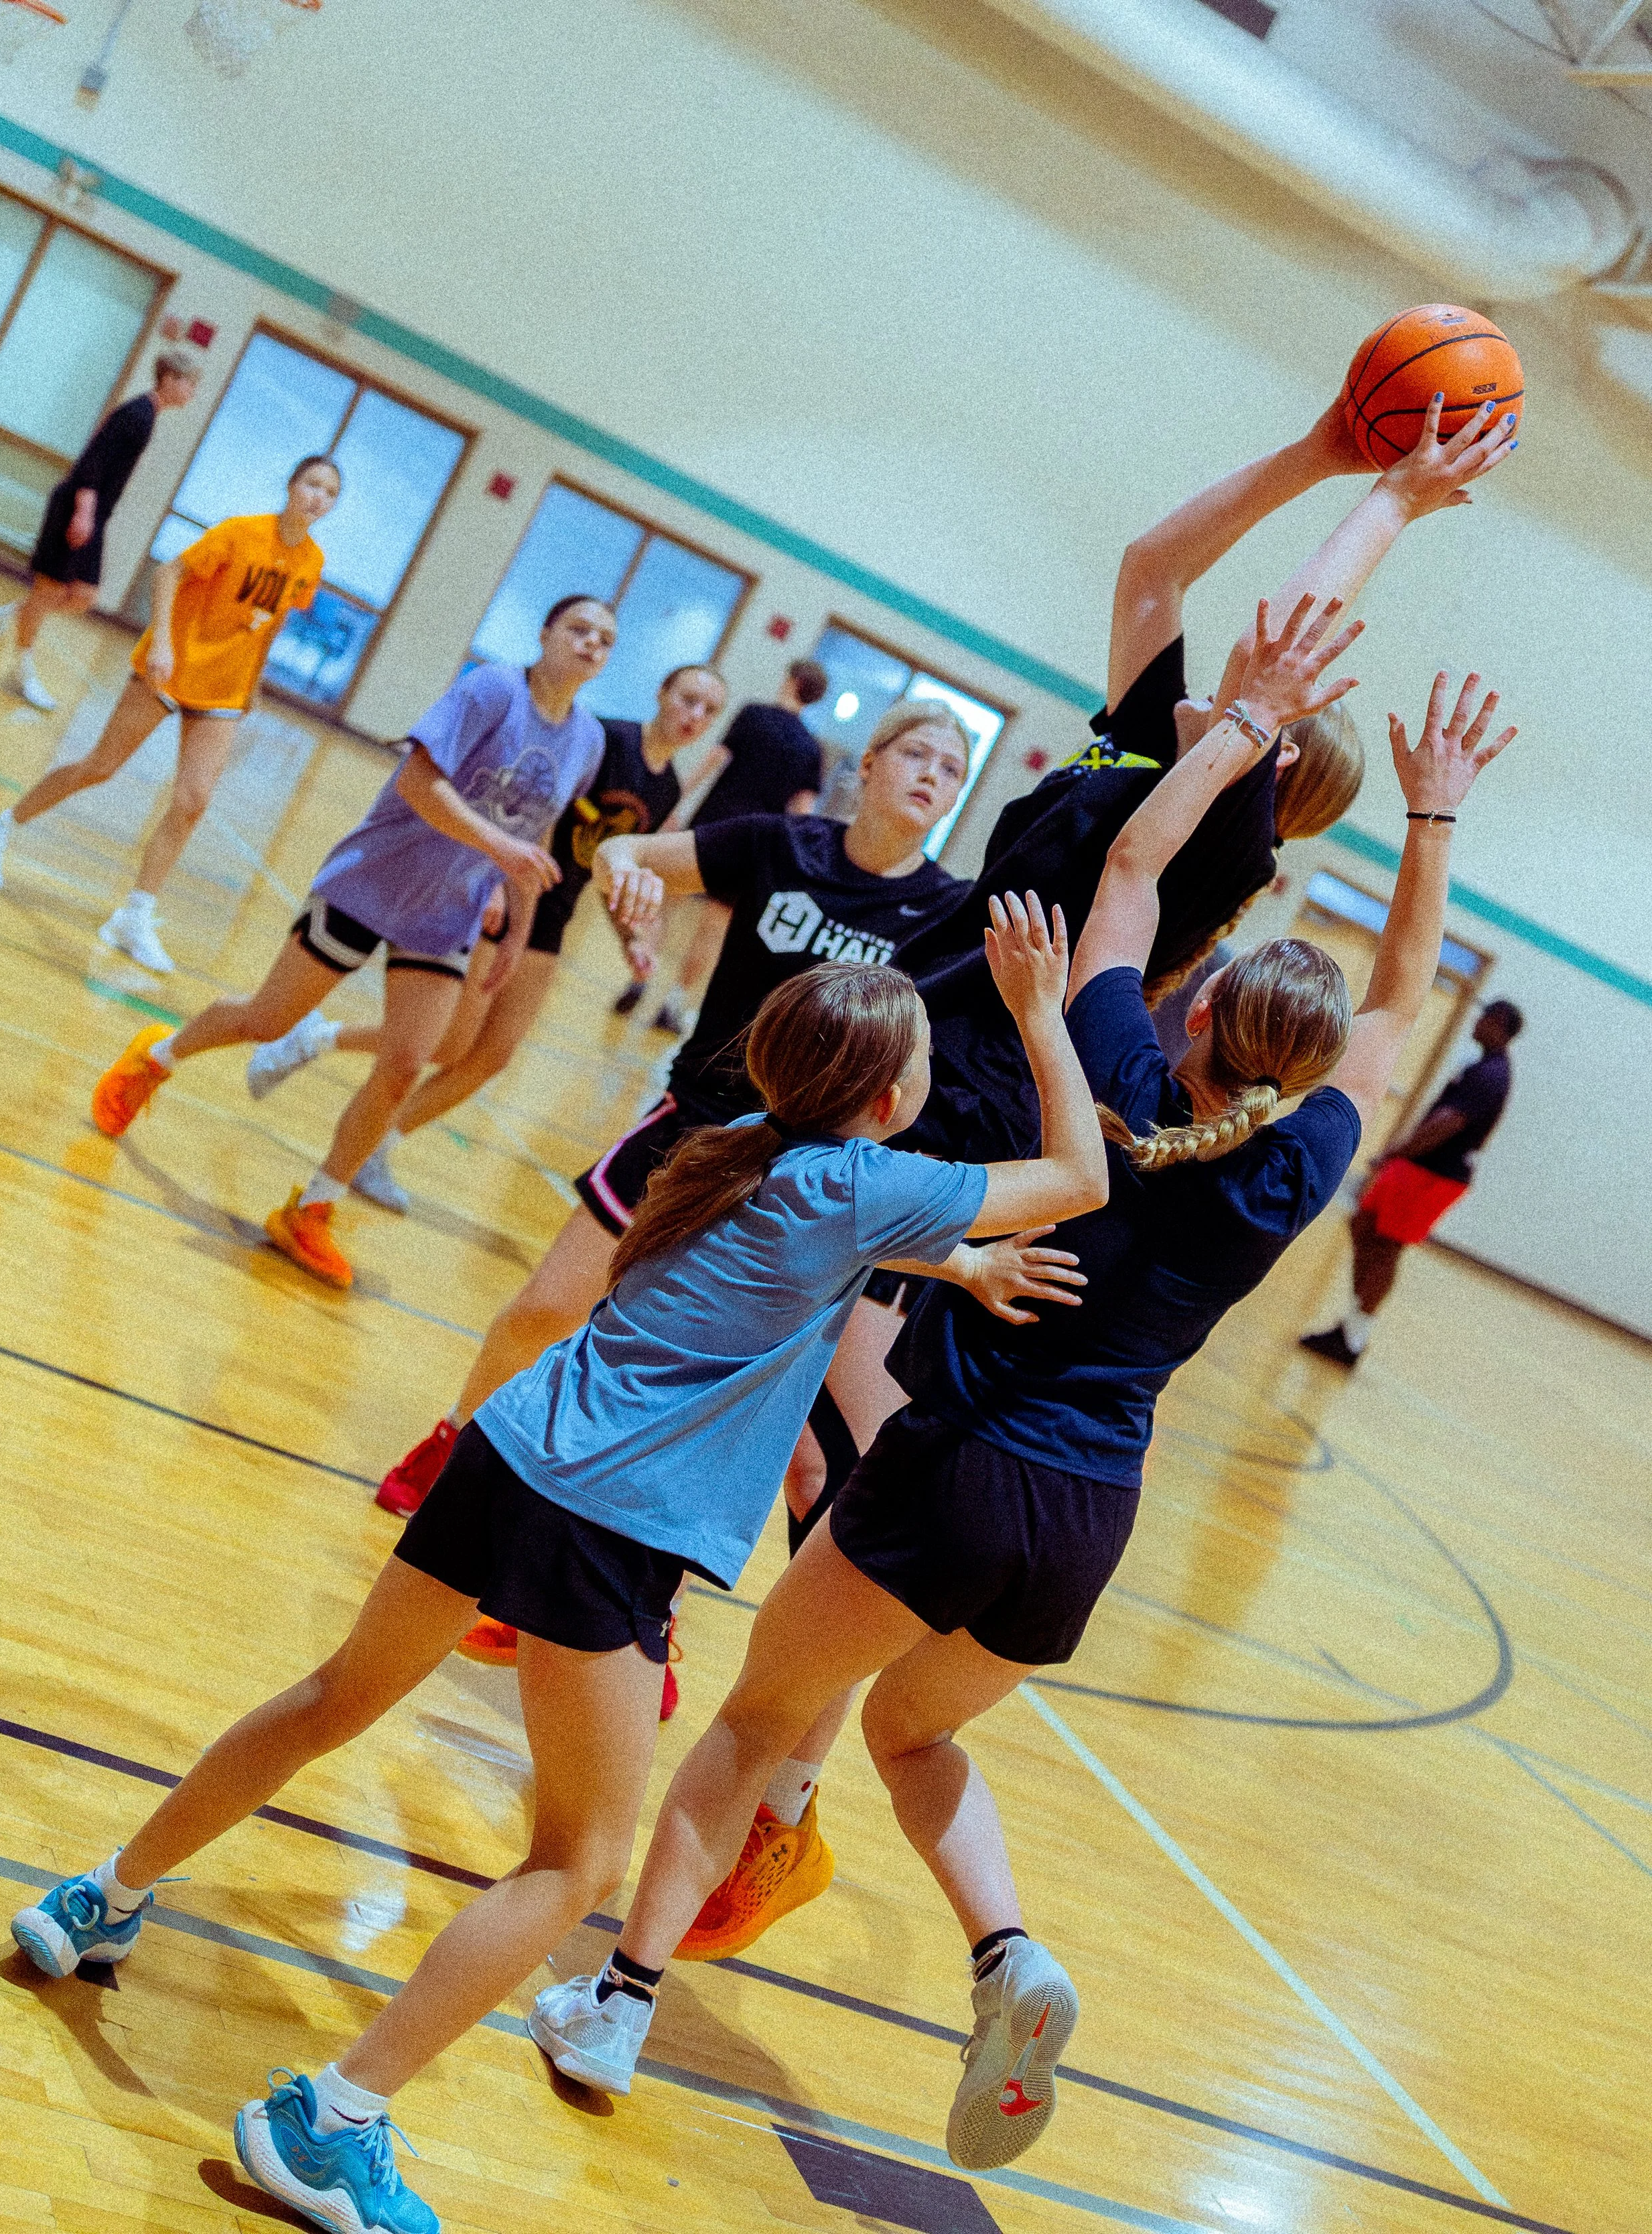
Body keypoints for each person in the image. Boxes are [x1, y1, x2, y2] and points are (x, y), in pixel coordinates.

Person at [532, 606, 1517, 2180]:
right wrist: (1435, 814)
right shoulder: (1309, 1153)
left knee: (758, 1715)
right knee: (914, 1740)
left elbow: (1129, 871)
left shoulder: (1115, 1062)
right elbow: (1401, 992)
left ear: (1202, 1020)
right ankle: (1005, 1953)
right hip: (1086, 1517)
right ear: (1319, 1077)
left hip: (956, 1461)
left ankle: (618, 2001)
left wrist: (1244, 726)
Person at [10, 909, 1110, 2234]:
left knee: (332, 1698)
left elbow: (825, 1232)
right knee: (576, 1861)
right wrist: (1042, 1011)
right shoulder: (865, 1188)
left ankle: (102, 1895)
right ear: (888, 1094)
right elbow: (1077, 1172)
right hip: (607, 1522)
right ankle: (332, 2119)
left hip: (508, 1454)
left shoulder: (726, 1151)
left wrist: (956, 1256)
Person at [690, 390, 1519, 1964]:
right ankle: (742, 1713)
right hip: (887, 1062)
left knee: (847, 1438)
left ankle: (752, 1757)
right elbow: (1155, 570)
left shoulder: (1205, 846)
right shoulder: (1145, 750)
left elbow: (1262, 686)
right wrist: (1324, 458)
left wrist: (1390, 514)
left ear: (1268, 776)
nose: (1231, 689)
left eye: (1256, 715)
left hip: (966, 1110)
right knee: (808, 1425)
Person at [372, 697, 975, 1559]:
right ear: (869, 764)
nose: (931, 776)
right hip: (698, 1126)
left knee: (715, 1406)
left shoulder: (945, 913)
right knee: (547, 1309)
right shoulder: (776, 843)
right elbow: (622, 849)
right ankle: (455, 1441)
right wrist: (629, 877)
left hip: (807, 1180)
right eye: (917, 754)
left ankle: (643, 1592)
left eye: (951, 769)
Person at [83, 595, 614, 1289]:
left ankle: (311, 1207)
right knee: (265, 1019)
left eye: (605, 639)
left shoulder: (588, 740)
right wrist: (498, 846)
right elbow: (420, 783)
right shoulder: (492, 689)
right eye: (579, 628)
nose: (591, 644)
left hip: (445, 914)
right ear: (545, 632)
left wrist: (517, 921)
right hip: (373, 881)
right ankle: (154, 1058)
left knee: (405, 1062)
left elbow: (535, 832)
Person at [242, 663, 729, 1213]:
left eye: (710, 711)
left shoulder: (663, 787)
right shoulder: (604, 739)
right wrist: (494, 875)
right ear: (662, 692)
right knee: (447, 1043)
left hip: (554, 915)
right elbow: (525, 806)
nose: (695, 716)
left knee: (493, 1055)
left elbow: (606, 860)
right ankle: (313, 1041)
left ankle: (378, 1142)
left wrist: (629, 938)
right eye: (688, 699)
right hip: (500, 894)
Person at [0, 454, 339, 974]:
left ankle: (134, 915)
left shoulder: (310, 561)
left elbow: (273, 621)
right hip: (171, 667)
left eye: (329, 493)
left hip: (223, 690)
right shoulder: (240, 533)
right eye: (312, 484)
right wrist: (162, 642)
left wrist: (254, 682)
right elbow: (170, 572)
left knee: (193, 801)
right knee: (100, 767)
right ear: (291, 485)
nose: (318, 497)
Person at [1301, 996, 1522, 1366]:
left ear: (1498, 1021)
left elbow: (1449, 1122)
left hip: (1434, 1174)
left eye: (1484, 1015)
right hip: (1420, 1169)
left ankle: (1354, 1337)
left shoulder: (1492, 1074)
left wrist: (1394, 1152)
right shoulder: (1483, 1067)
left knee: (1386, 1246)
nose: (1476, 1020)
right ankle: (1352, 1325)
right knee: (1364, 1226)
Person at [0, 347, 200, 710]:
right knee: (49, 593)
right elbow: (93, 460)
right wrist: (83, 512)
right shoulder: (139, 414)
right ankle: (20, 672)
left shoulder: (147, 414)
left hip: (92, 515)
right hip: (78, 509)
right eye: (191, 384)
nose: (193, 393)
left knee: (82, 596)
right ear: (171, 379)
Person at [642, 655, 827, 1033]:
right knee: (715, 928)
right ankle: (675, 1001)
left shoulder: (754, 715)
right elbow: (802, 812)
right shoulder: (811, 749)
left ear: (791, 682)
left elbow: (714, 761)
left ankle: (639, 979)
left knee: (669, 904)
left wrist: (674, 802)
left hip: (713, 825)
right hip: (754, 847)